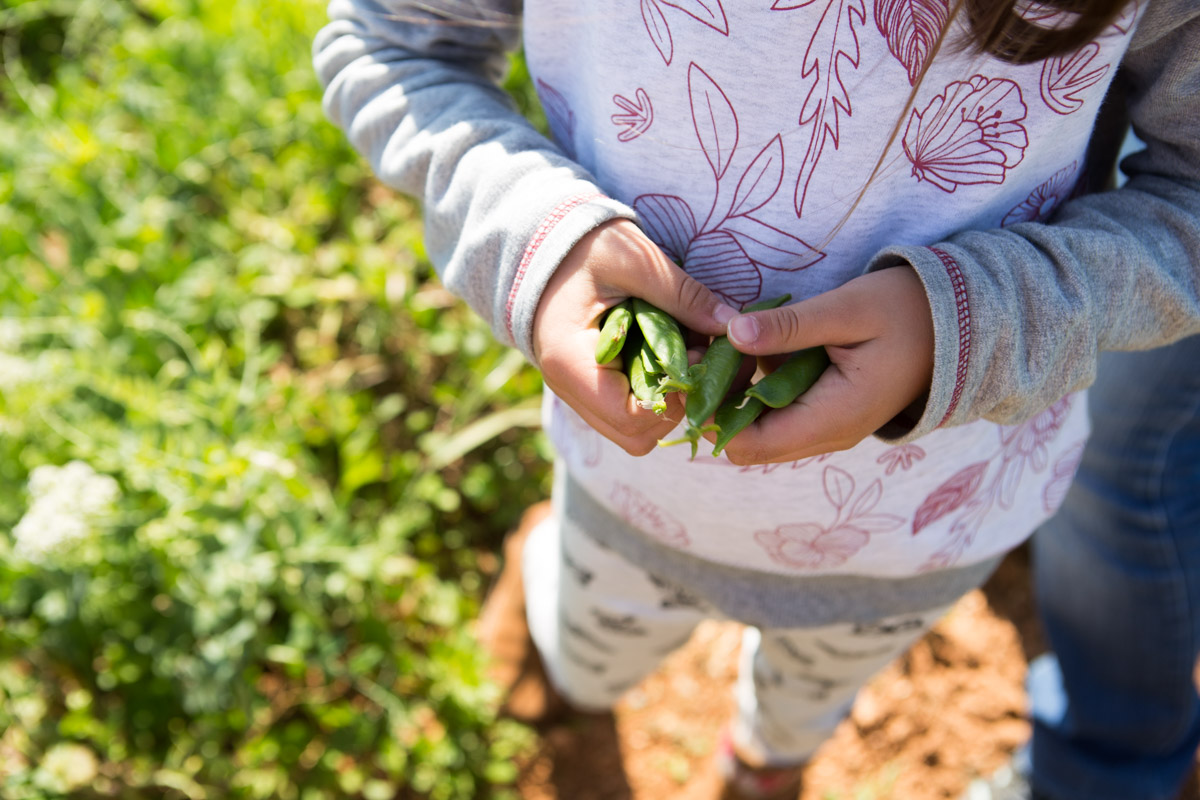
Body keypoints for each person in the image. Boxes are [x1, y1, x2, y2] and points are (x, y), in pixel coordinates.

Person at [313, 2, 1200, 798]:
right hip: (629, 492)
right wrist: (538, 238)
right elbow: (390, 43)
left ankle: (760, 766)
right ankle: (563, 637)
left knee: (806, 699)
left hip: (924, 524)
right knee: (586, 646)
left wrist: (960, 323)